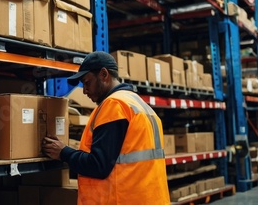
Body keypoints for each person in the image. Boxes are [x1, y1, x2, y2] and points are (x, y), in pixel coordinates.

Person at [42, 51, 170, 204]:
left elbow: (98, 165)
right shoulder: (138, 104)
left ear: (104, 74)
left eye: (87, 82)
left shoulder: (114, 105)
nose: (84, 90)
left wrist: (64, 152)